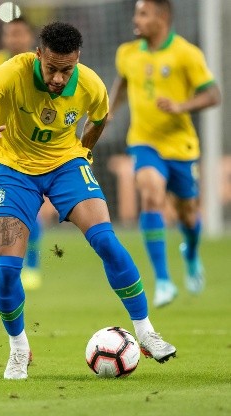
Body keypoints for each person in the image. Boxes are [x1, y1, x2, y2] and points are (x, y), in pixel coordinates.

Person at [0, 22, 176, 380]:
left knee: (106, 240)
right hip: (13, 170)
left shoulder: (91, 84)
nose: (57, 77)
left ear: (77, 60)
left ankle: (146, 332)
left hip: (65, 165)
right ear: (38, 55)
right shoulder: (12, 71)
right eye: (51, 67)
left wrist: (84, 152)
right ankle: (19, 348)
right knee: (7, 272)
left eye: (65, 69)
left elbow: (99, 118)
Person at [108, 0, 221, 308]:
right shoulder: (128, 53)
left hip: (181, 146)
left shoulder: (186, 54)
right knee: (150, 194)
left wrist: (181, 106)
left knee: (187, 214)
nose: (136, 19)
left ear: (162, 17)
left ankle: (192, 253)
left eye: (143, 13)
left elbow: (214, 94)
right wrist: (108, 113)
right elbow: (122, 84)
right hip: (144, 142)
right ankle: (163, 281)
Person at [0, 17, 43, 290]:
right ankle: (11, 268)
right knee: (6, 214)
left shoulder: (41, 66)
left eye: (20, 34)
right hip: (1, 151)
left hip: (35, 151)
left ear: (30, 37)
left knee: (30, 212)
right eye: (10, 34)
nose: (15, 39)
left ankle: (33, 265)